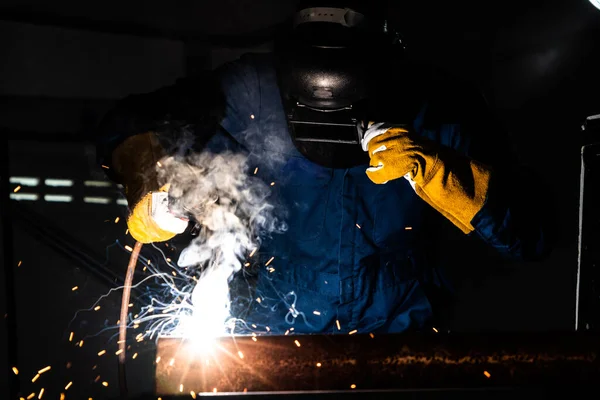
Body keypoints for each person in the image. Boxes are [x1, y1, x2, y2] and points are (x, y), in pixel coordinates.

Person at [96, 1, 552, 334]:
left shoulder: (438, 103)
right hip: (276, 326)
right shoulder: (252, 88)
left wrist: (437, 172)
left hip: (399, 331)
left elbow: (530, 235)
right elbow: (129, 123)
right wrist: (151, 186)